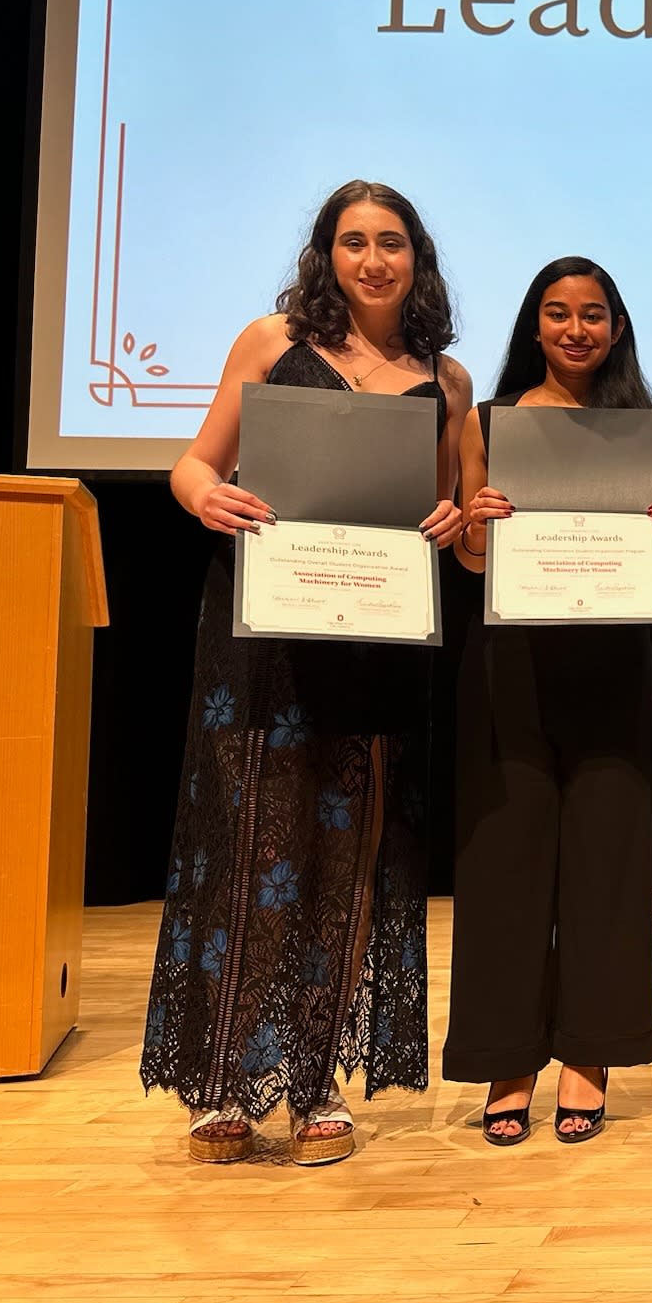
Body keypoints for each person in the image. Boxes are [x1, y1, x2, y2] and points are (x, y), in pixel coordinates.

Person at [141, 180, 469, 1165]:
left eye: (393, 243)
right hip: (268, 631)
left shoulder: (441, 378)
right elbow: (194, 464)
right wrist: (209, 499)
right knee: (252, 850)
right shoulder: (270, 342)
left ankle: (317, 1080)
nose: (374, 260)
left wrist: (452, 524)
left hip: (376, 636)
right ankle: (223, 1084)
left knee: (347, 860)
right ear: (326, 253)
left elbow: (443, 508)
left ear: (418, 259)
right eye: (355, 241)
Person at [442, 257, 652, 1146]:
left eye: (593, 314)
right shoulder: (489, 423)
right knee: (505, 860)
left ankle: (591, 1052)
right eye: (558, 313)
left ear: (616, 326)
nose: (576, 329)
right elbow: (469, 559)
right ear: (533, 326)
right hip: (511, 658)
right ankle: (509, 1056)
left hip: (613, 659)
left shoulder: (648, 427)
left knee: (608, 859)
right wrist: (475, 528)